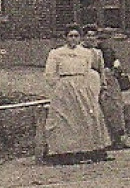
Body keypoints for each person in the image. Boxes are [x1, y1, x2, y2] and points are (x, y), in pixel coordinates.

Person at [44, 27, 108, 159]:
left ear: (80, 38)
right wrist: (60, 87)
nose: (73, 39)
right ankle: (65, 152)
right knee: (65, 119)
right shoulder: (56, 53)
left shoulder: (85, 53)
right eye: (70, 36)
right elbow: (50, 74)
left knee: (87, 116)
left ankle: (88, 150)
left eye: (76, 36)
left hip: (82, 87)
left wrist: (88, 87)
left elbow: (88, 71)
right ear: (65, 37)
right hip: (65, 87)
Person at [91, 26, 130, 150]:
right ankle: (112, 139)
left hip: (112, 81)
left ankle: (118, 138)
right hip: (104, 79)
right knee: (107, 109)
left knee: (115, 109)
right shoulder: (96, 51)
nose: (103, 41)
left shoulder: (109, 50)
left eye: (106, 38)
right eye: (101, 38)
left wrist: (117, 70)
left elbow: (116, 63)